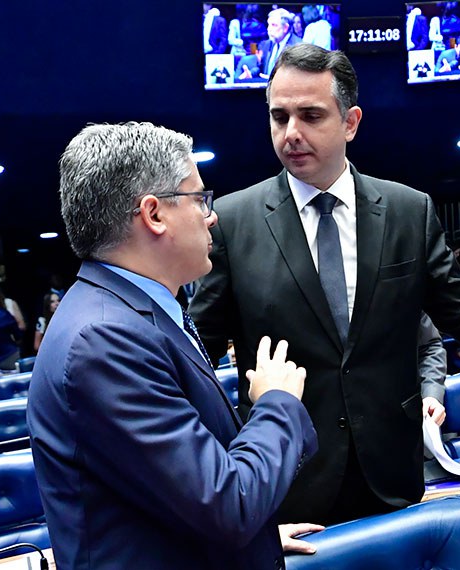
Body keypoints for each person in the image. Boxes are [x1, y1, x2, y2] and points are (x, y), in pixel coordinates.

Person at [189, 43, 460, 526]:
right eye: (279, 116)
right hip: (284, 485)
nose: (291, 134)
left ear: (350, 122)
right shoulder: (232, 220)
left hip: (392, 474)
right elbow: (198, 358)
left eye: (310, 115)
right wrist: (232, 483)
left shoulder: (408, 211)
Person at [27, 122, 322, 569]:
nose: (212, 215)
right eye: (200, 199)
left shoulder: (131, 311)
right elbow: (227, 504)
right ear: (154, 214)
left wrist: (257, 540)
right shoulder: (103, 340)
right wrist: (277, 402)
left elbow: (176, 492)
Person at [239, 8, 301, 80]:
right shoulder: (265, 45)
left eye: (274, 25)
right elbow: (260, 67)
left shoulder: (298, 47)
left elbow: (297, 77)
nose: (269, 29)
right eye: (268, 25)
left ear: (285, 28)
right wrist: (251, 74)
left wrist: (275, 80)